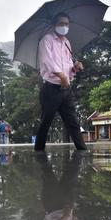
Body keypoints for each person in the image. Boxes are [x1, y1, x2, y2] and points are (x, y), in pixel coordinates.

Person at [34, 12, 87, 152]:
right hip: (51, 89)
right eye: (61, 23)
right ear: (54, 25)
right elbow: (47, 62)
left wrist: (74, 68)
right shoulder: (46, 40)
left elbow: (68, 66)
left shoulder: (67, 43)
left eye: (66, 24)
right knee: (45, 123)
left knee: (74, 123)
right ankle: (39, 155)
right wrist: (62, 76)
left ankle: (83, 151)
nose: (64, 26)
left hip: (65, 89)